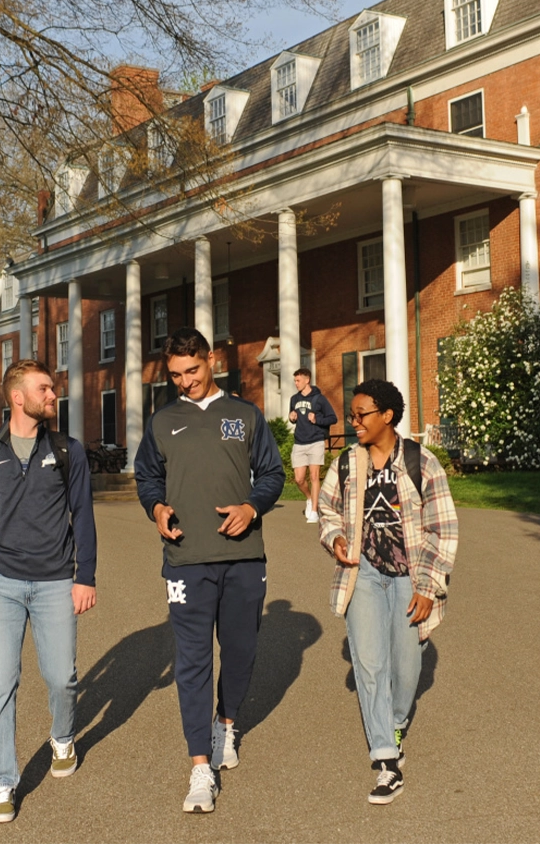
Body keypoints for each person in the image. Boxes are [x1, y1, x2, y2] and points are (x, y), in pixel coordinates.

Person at [134, 327, 285, 814]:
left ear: (212, 360)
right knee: (194, 661)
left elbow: (272, 474)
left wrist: (252, 506)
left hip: (243, 558)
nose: (185, 382)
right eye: (176, 375)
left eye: (192, 371)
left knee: (239, 652)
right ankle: (200, 766)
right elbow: (147, 478)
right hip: (186, 561)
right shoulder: (162, 421)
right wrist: (156, 507)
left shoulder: (244, 415)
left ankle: (226, 725)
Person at [0, 359, 97, 824]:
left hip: (56, 580)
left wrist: (85, 576)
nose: (52, 395)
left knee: (61, 677)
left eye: (52, 388)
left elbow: (83, 516)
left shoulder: (69, 450)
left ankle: (62, 736)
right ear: (18, 397)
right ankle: (1, 782)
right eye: (44, 389)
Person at [317, 378, 457, 805]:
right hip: (363, 576)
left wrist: (430, 587)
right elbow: (327, 510)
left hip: (409, 577)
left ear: (387, 416)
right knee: (371, 664)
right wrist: (335, 538)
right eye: (352, 415)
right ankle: (385, 758)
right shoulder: (346, 465)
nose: (353, 422)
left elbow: (443, 528)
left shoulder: (421, 462)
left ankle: (396, 720)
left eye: (361, 415)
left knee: (407, 664)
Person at [287, 367, 338, 523]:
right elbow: (292, 416)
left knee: (314, 476)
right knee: (299, 479)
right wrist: (291, 417)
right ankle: (309, 498)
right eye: (295, 380)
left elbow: (333, 418)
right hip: (299, 442)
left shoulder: (320, 399)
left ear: (307, 380)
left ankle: (315, 511)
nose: (296, 383)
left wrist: (317, 420)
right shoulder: (294, 399)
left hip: (316, 441)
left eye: (298, 380)